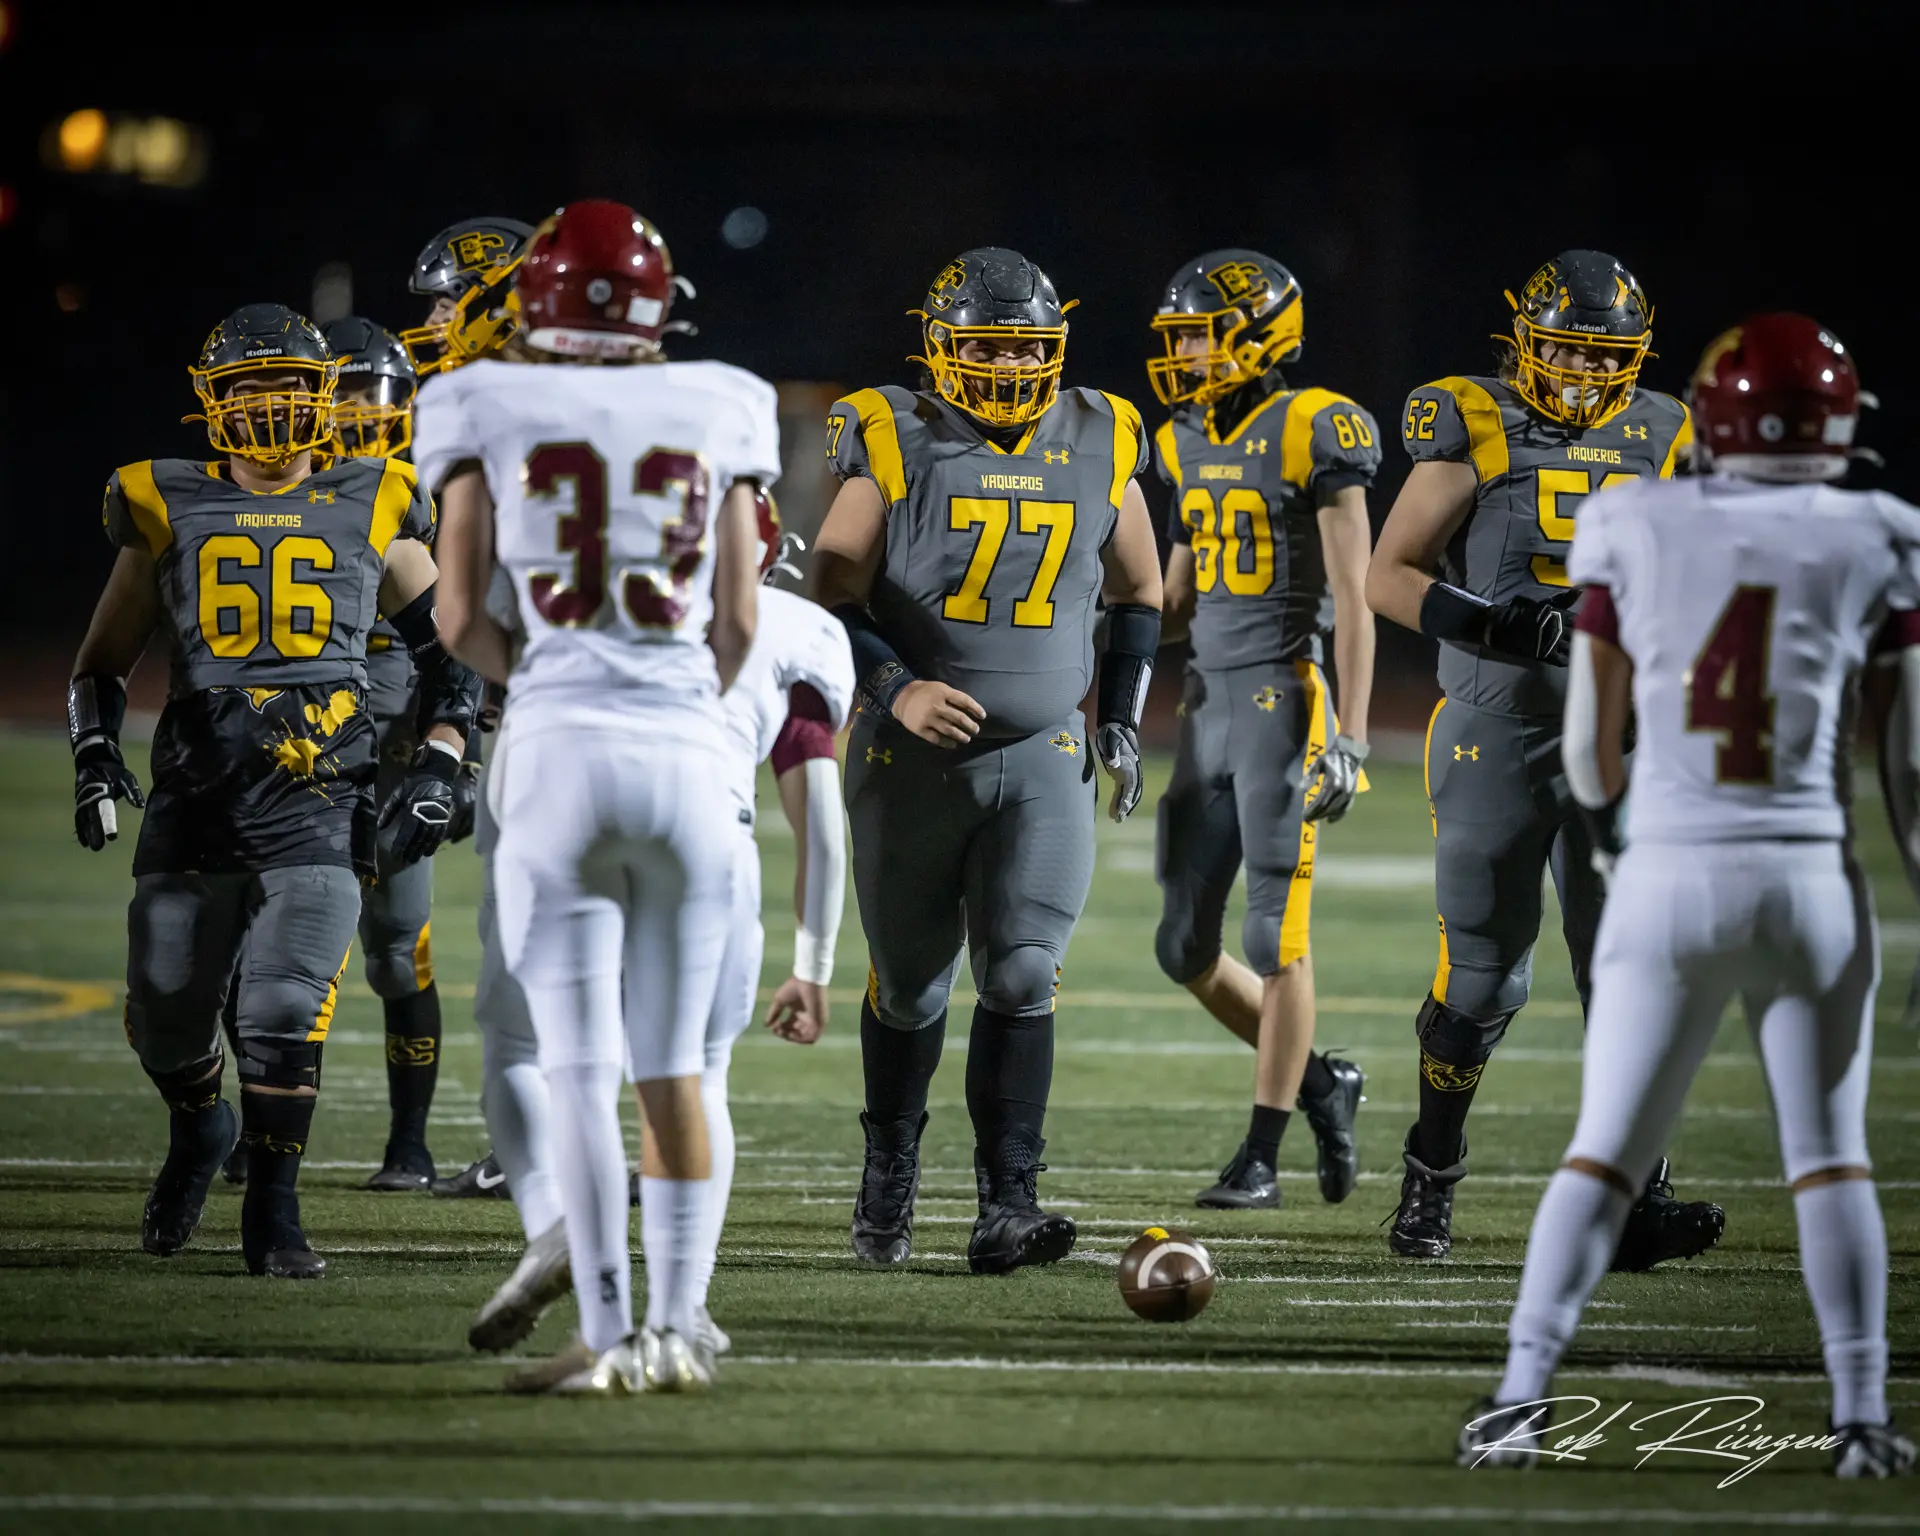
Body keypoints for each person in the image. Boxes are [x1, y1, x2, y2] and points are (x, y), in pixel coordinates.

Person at [1460, 314, 1917, 1480]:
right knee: (1828, 1156)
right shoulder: (1883, 533)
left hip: (1669, 866)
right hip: (1810, 871)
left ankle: (1520, 1400)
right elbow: (1906, 762)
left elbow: (1590, 751)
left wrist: (1621, 848)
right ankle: (1861, 1419)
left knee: (1604, 1152)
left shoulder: (1631, 517)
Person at [426, 199, 778, 1395]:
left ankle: (611, 1336)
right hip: (689, 754)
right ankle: (680, 1332)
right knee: (674, 1066)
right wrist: (674, 691)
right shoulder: (723, 399)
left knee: (578, 1068)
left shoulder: (480, 398)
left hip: (561, 751)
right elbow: (738, 617)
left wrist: (557, 684)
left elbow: (460, 616)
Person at [69, 303, 479, 1278]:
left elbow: (451, 659)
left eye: (287, 390)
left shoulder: (374, 497)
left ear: (321, 397)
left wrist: (442, 756)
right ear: (210, 404)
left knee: (286, 1006)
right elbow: (102, 660)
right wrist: (92, 752)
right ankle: (199, 1128)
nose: (266, 411)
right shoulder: (162, 499)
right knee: (167, 1010)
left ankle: (277, 1214)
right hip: (197, 796)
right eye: (246, 392)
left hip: (320, 796)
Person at [1365, 249, 1723, 1267]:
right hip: (1498, 729)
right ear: (1523, 343)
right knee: (1483, 978)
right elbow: (1387, 574)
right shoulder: (1473, 420)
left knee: (1631, 973)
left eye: (1599, 356)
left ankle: (1636, 1193)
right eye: (1560, 352)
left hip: (1628, 739)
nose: (1576, 375)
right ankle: (1431, 1177)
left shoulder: (1666, 431)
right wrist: (1494, 627)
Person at [813, 247, 1164, 1274]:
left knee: (1020, 971)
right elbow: (830, 598)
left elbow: (1140, 592)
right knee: (913, 990)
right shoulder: (894, 430)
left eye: (1026, 348)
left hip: (1044, 753)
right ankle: (889, 1172)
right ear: (939, 347)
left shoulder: (1103, 429)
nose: (1010, 368)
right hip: (907, 762)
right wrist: (896, 689)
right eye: (988, 347)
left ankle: (1009, 1201)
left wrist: (1122, 717)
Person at [464, 504, 855, 1363]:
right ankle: (680, 1314)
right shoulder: (794, 628)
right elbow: (820, 818)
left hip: (559, 821)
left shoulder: (573, 603)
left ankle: (554, 1227)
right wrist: (814, 962)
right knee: (690, 1076)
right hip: (704, 832)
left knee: (535, 1055)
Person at [1144, 248, 1375, 1210]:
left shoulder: (1315, 426)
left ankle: (1263, 1154)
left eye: (1200, 331)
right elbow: (1173, 592)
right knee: (1181, 947)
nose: (1186, 350)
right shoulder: (1181, 437)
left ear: (1255, 331)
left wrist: (1352, 737)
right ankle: (1325, 1084)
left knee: (1276, 933)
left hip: (1288, 693)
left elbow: (1357, 598)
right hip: (1207, 703)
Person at [323, 314, 481, 1191]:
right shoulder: (268, 494)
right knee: (251, 946)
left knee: (394, 952)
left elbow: (467, 649)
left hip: (395, 748)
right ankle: (246, 1130)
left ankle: (408, 1143)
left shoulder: (429, 491)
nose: (356, 415)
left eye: (370, 395)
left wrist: (458, 755)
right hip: (289, 751)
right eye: (340, 394)